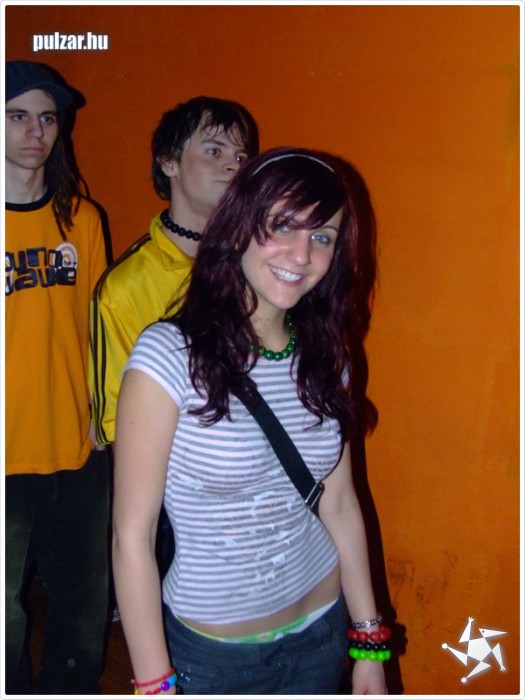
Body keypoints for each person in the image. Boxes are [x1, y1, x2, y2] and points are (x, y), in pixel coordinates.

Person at [112, 146, 389, 695]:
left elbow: (339, 503)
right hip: (216, 656)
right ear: (239, 225)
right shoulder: (168, 357)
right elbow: (131, 538)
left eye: (323, 236)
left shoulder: (327, 355)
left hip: (322, 629)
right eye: (282, 225)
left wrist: (368, 642)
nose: (301, 254)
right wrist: (155, 685)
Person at [89, 96, 259, 589]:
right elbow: (115, 422)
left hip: (254, 479)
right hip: (174, 494)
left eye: (241, 155)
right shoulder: (127, 285)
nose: (232, 165)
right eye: (213, 150)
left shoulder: (261, 261)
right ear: (168, 162)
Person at [4, 60, 109, 694]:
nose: (35, 132)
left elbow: (99, 329)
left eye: (47, 118)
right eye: (17, 116)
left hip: (78, 447)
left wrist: (104, 415)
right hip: (5, 452)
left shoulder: (83, 220)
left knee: (83, 607)